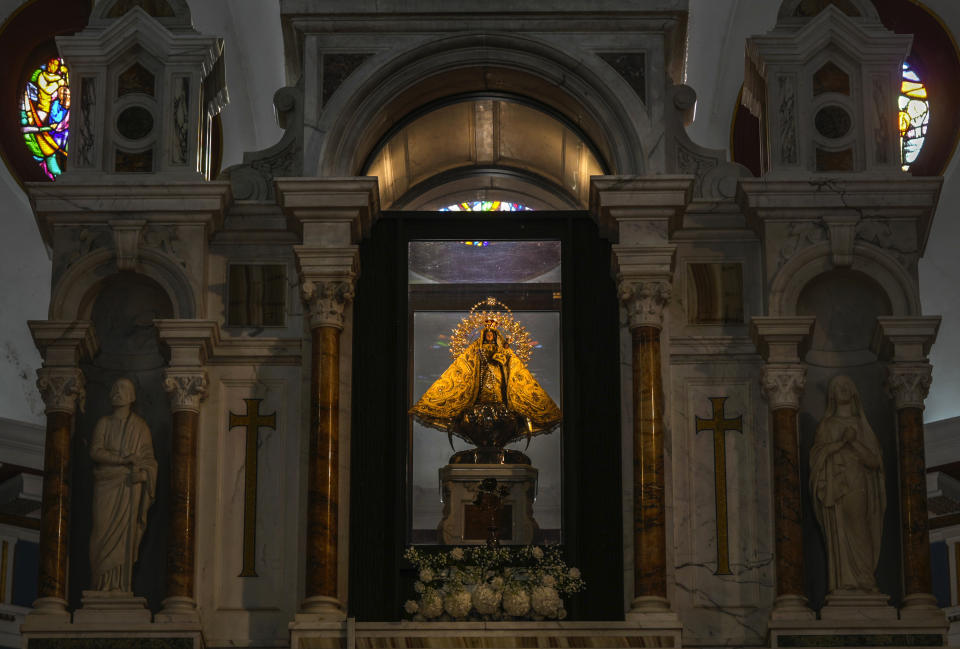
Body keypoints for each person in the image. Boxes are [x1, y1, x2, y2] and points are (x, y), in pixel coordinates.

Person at [410, 325, 560, 460]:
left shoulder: (502, 348)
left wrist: (503, 353)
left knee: (500, 395)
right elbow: (469, 363)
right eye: (487, 334)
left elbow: (508, 363)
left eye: (492, 334)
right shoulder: (477, 349)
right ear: (484, 335)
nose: (489, 336)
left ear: (495, 336)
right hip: (481, 381)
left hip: (498, 380)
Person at [809, 375, 886, 593]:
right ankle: (845, 581)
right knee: (839, 532)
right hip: (835, 487)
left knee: (860, 529)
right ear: (831, 395)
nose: (842, 389)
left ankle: (865, 578)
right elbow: (817, 458)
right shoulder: (827, 425)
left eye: (846, 386)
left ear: (853, 392)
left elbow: (874, 461)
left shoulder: (862, 425)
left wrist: (853, 442)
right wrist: (840, 443)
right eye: (837, 387)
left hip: (857, 484)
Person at [89, 378, 157, 592]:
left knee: (124, 538)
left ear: (132, 397)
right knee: (101, 533)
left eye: (124, 389)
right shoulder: (104, 423)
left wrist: (144, 475)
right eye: (115, 388)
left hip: (129, 488)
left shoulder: (140, 427)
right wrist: (123, 460)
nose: (118, 392)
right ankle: (101, 584)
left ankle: (119, 586)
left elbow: (148, 460)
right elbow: (95, 451)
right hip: (106, 484)